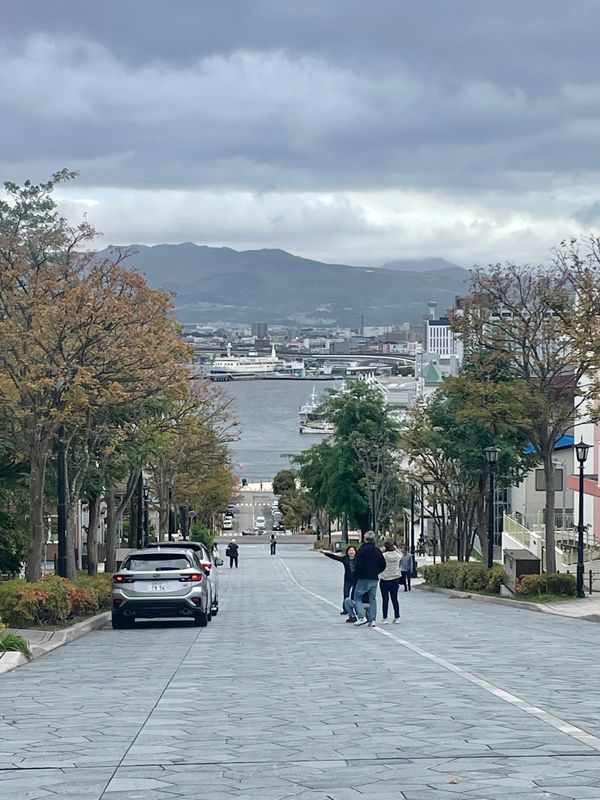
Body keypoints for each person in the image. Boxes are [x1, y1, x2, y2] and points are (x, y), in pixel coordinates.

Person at [344, 531, 385, 627]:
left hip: (363, 578)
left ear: (365, 539)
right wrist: (376, 572)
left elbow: (357, 565)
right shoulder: (377, 550)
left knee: (357, 597)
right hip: (374, 578)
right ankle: (373, 619)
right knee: (372, 599)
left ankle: (362, 617)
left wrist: (357, 575)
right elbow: (383, 564)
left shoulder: (362, 551)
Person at [322, 544, 358, 618]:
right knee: (346, 594)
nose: (351, 552)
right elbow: (335, 557)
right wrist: (325, 553)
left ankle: (356, 609)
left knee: (355, 596)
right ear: (347, 552)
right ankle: (345, 609)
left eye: (352, 550)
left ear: (355, 552)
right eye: (350, 550)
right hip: (348, 580)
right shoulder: (345, 559)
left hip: (356, 580)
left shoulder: (358, 559)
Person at [379, 539, 402, 623]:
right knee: (395, 599)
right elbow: (401, 554)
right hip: (395, 579)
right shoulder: (397, 555)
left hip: (385, 578)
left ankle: (385, 618)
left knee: (385, 599)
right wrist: (395, 548)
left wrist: (382, 549)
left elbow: (379, 554)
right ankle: (397, 617)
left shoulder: (384, 555)